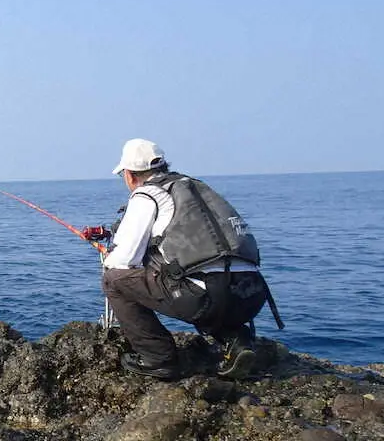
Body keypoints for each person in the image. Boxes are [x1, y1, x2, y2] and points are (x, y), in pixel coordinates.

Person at [100, 139, 276, 380]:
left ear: (129, 175)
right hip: (251, 295)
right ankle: (237, 339)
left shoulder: (146, 195)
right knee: (193, 273)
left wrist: (111, 254)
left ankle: (158, 358)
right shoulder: (195, 188)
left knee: (114, 280)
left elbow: (124, 260)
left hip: (208, 299)